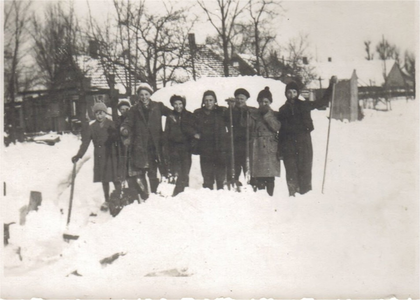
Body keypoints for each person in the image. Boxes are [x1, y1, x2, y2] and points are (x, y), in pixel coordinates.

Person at [278, 77, 336, 196]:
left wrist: (331, 86)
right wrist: (280, 150)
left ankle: (305, 195)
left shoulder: (304, 105)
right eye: (289, 92)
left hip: (303, 141)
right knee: (291, 170)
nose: (292, 95)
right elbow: (281, 131)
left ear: (297, 93)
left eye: (294, 92)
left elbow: (322, 102)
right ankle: (292, 194)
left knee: (305, 169)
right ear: (286, 94)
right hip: (288, 144)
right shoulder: (282, 110)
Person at [120, 83, 172, 200]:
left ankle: (154, 194)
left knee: (153, 171)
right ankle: (144, 196)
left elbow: (171, 113)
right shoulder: (134, 110)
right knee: (141, 171)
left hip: (155, 145)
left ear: (150, 94)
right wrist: (125, 130)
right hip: (140, 145)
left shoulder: (157, 106)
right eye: (141, 95)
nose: (144, 97)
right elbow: (127, 122)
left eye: (146, 94)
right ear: (138, 96)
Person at [72, 102, 121, 211]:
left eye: (102, 113)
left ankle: (119, 196)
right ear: (94, 115)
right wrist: (79, 155)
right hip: (100, 156)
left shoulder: (111, 124)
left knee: (115, 177)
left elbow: (119, 139)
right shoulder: (92, 127)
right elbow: (85, 143)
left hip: (111, 154)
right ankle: (107, 199)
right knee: (105, 179)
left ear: (105, 113)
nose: (100, 116)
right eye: (97, 113)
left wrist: (114, 136)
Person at [247, 87, 281, 196]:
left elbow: (276, 127)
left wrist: (267, 115)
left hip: (270, 146)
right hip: (257, 145)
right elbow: (248, 127)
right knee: (258, 176)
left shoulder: (274, 114)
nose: (263, 104)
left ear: (270, 102)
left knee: (270, 175)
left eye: (266, 102)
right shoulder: (253, 114)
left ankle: (270, 196)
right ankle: (261, 199)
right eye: (261, 101)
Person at [163, 95, 197, 196]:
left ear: (183, 104)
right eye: (175, 104)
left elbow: (193, 130)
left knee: (185, 169)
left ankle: (184, 191)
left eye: (180, 104)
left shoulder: (189, 115)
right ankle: (177, 192)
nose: (178, 106)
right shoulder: (170, 116)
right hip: (174, 147)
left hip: (186, 147)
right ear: (172, 105)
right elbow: (167, 132)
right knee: (177, 170)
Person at [193, 90, 228, 190]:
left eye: (211, 100)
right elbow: (189, 125)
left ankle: (221, 194)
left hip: (220, 147)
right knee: (207, 176)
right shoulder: (198, 113)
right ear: (203, 101)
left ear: (215, 101)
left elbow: (232, 119)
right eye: (206, 100)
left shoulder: (222, 111)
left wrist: (232, 105)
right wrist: (194, 133)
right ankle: (209, 197)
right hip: (205, 148)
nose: (208, 103)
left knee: (220, 176)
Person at [224, 88, 254, 187]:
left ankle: (250, 184)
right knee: (234, 166)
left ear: (246, 99)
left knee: (247, 166)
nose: (239, 101)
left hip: (247, 143)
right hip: (234, 143)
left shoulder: (250, 111)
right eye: (237, 98)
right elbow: (225, 119)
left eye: (242, 99)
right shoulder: (231, 111)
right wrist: (230, 108)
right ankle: (233, 183)